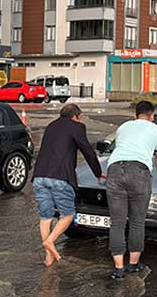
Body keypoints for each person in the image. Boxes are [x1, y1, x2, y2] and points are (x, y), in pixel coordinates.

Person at [107, 101, 157, 280]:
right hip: (138, 172)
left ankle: (118, 269)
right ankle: (133, 264)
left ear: (135, 115)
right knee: (137, 221)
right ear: (152, 116)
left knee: (117, 222)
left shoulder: (123, 127)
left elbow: (121, 148)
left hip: (114, 170)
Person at [32, 104, 103, 267]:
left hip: (39, 176)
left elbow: (54, 151)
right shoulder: (77, 127)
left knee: (45, 217)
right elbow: (87, 150)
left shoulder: (51, 126)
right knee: (68, 215)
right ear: (76, 116)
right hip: (60, 178)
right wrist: (98, 173)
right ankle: (50, 241)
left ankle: (48, 257)